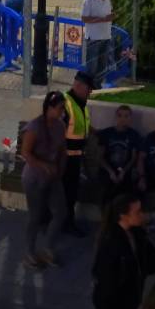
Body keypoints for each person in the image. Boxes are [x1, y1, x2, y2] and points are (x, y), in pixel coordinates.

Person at [21, 92, 69, 268]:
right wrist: (43, 165)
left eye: (63, 108)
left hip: (54, 176)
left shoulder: (60, 125)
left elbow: (63, 149)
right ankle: (29, 252)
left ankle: (48, 248)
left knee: (60, 212)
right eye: (60, 108)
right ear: (49, 108)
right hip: (34, 177)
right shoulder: (35, 127)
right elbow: (26, 152)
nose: (62, 112)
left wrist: (61, 168)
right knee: (35, 216)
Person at [61, 72, 96, 236]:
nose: (90, 92)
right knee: (67, 193)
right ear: (78, 85)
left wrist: (97, 133)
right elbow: (57, 133)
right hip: (64, 159)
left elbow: (83, 125)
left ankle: (65, 222)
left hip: (75, 157)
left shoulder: (80, 103)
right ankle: (65, 224)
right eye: (88, 88)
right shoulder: (65, 103)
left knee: (71, 192)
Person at [96, 104, 144, 203]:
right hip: (107, 170)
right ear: (116, 117)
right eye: (120, 115)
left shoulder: (134, 135)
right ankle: (106, 215)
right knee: (106, 192)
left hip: (125, 171)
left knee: (127, 194)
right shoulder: (107, 133)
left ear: (130, 118)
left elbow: (133, 158)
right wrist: (111, 172)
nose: (123, 119)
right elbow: (100, 157)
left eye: (126, 116)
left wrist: (123, 172)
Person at [81, 0, 115, 86]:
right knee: (92, 67)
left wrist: (111, 17)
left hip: (105, 37)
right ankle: (88, 87)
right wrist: (103, 19)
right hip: (93, 38)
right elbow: (84, 18)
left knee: (102, 66)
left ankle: (97, 87)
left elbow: (107, 14)